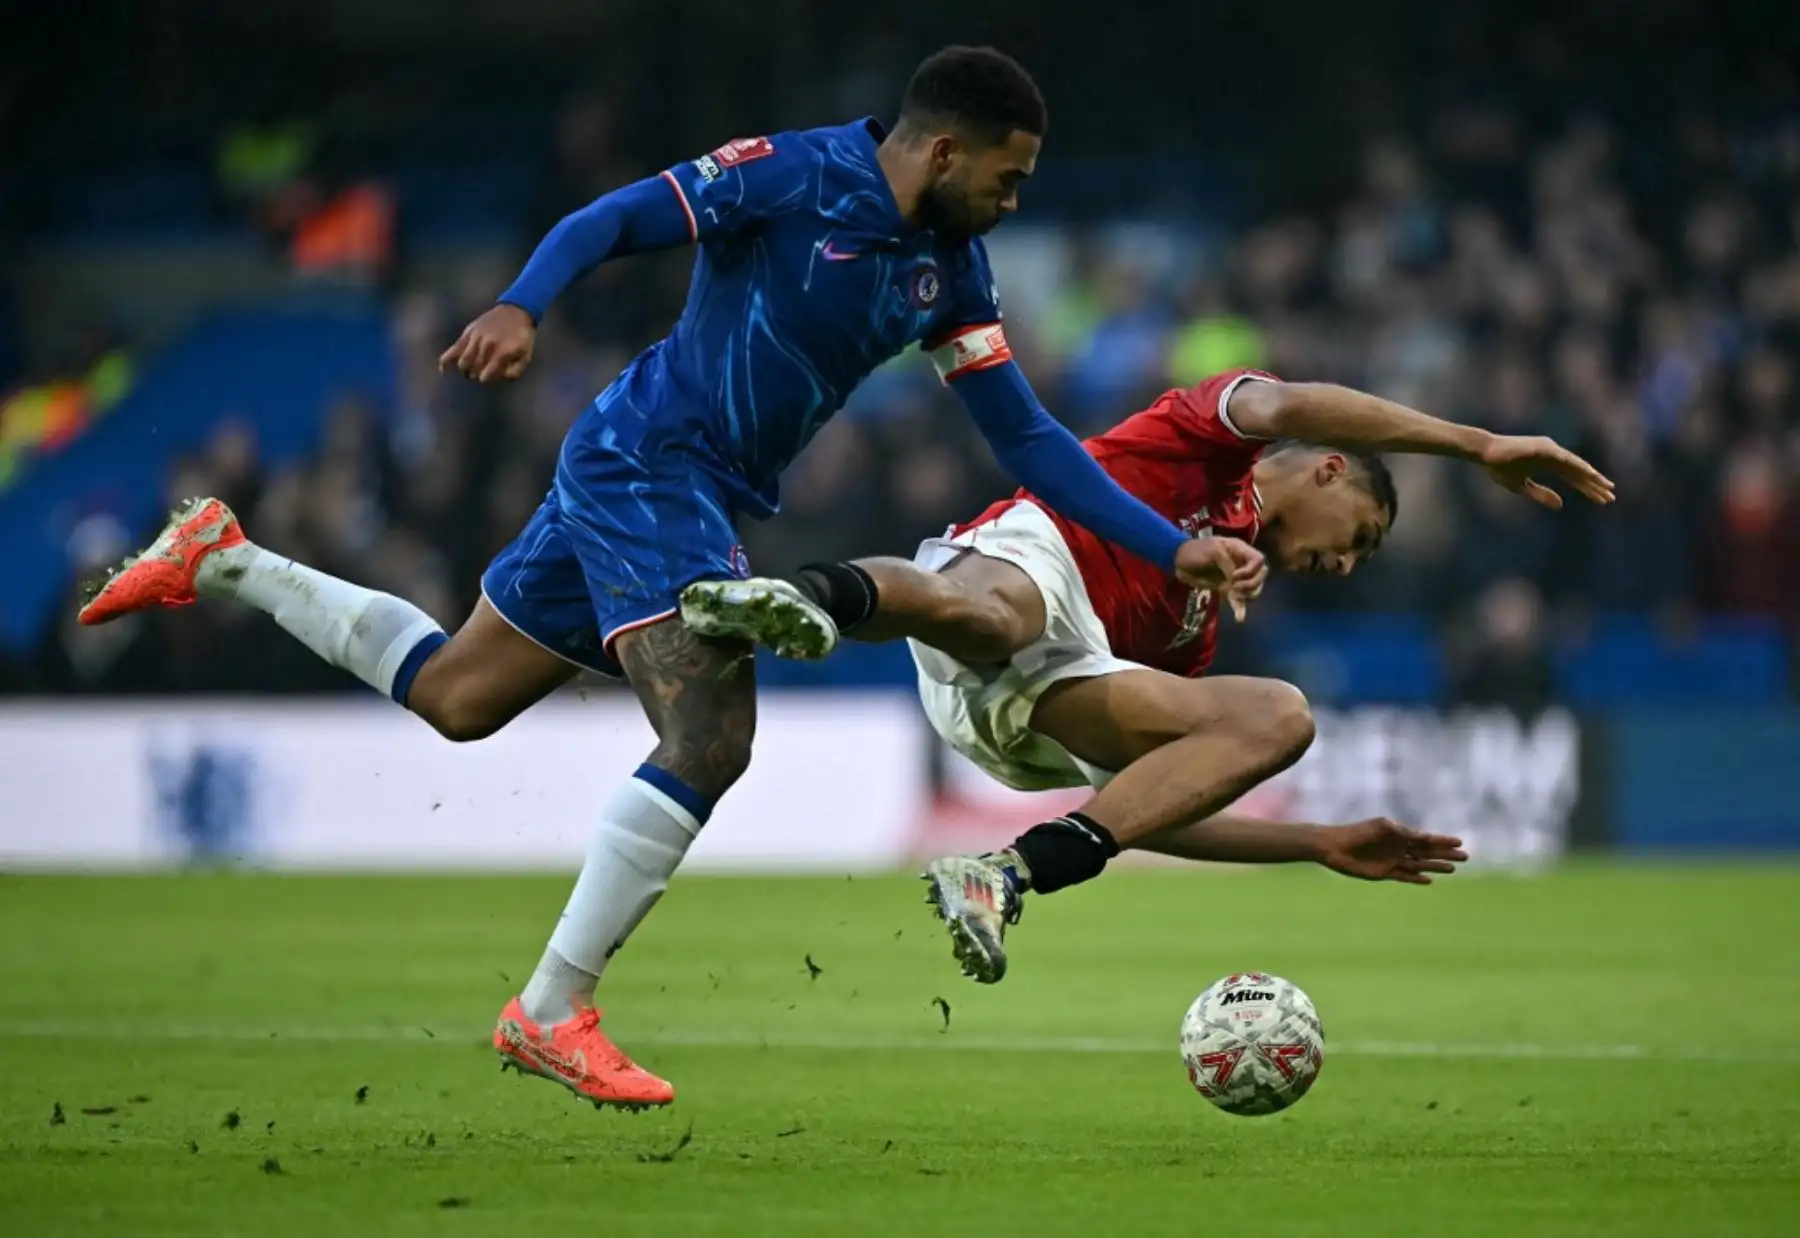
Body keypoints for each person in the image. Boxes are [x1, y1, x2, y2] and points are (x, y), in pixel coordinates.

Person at [76, 48, 1254, 1109]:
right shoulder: (791, 177)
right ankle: (548, 1010)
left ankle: (225, 556)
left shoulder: (953, 268)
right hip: (649, 459)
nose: (1014, 197)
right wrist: (521, 304)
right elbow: (613, 219)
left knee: (457, 696)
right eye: (1008, 174)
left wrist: (1169, 544)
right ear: (943, 148)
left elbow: (1034, 442)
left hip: (687, 483)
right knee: (712, 732)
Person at [682, 369, 1615, 983]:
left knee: (1278, 718)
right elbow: (1290, 403)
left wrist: (1317, 842)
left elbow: (1154, 804)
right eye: (1358, 539)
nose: (1344, 565)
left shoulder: (1201, 629)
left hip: (1040, 706)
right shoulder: (1215, 434)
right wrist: (1477, 444)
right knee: (1003, 612)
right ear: (1330, 473)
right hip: (1028, 559)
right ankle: (794, 600)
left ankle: (1007, 876)